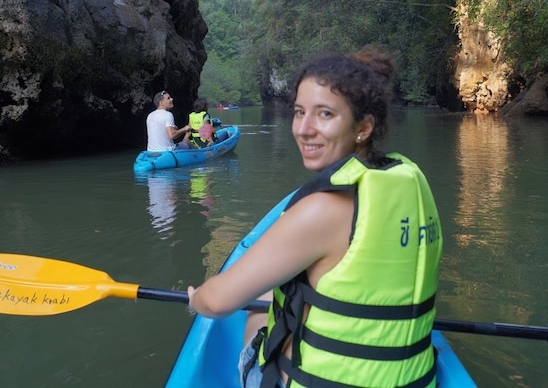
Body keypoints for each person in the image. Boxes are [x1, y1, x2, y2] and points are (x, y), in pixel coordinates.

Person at [186, 47, 443, 388]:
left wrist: (196, 298)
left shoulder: (323, 210)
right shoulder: (410, 180)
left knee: (260, 309)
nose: (303, 129)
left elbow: (216, 302)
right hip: (415, 380)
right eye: (299, 112)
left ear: (363, 127)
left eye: (324, 114)